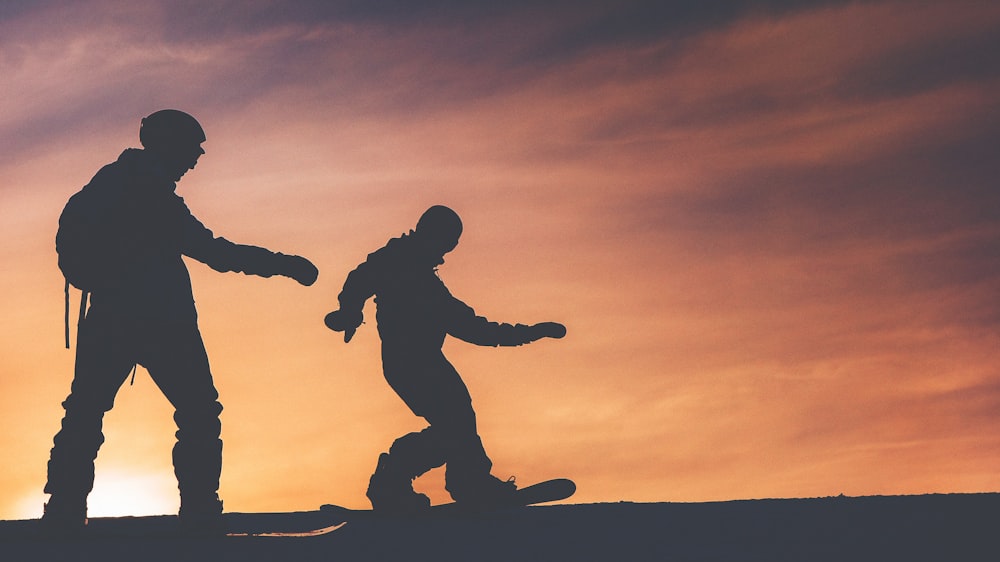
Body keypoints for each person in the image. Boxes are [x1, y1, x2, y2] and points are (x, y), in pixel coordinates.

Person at [42, 109, 319, 533]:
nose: (196, 160)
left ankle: (63, 507)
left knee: (85, 411)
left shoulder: (118, 183)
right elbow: (216, 253)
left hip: (114, 317)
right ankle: (199, 507)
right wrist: (284, 265)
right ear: (169, 146)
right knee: (197, 413)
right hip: (160, 322)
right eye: (192, 150)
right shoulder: (150, 194)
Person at [324, 205, 565, 513]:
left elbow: (475, 328)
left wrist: (530, 333)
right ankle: (399, 477)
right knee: (456, 424)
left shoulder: (416, 274)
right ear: (432, 236)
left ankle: (464, 480)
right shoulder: (403, 265)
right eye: (445, 245)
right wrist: (349, 311)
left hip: (421, 361)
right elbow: (361, 278)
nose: (444, 254)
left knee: (460, 420)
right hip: (410, 362)